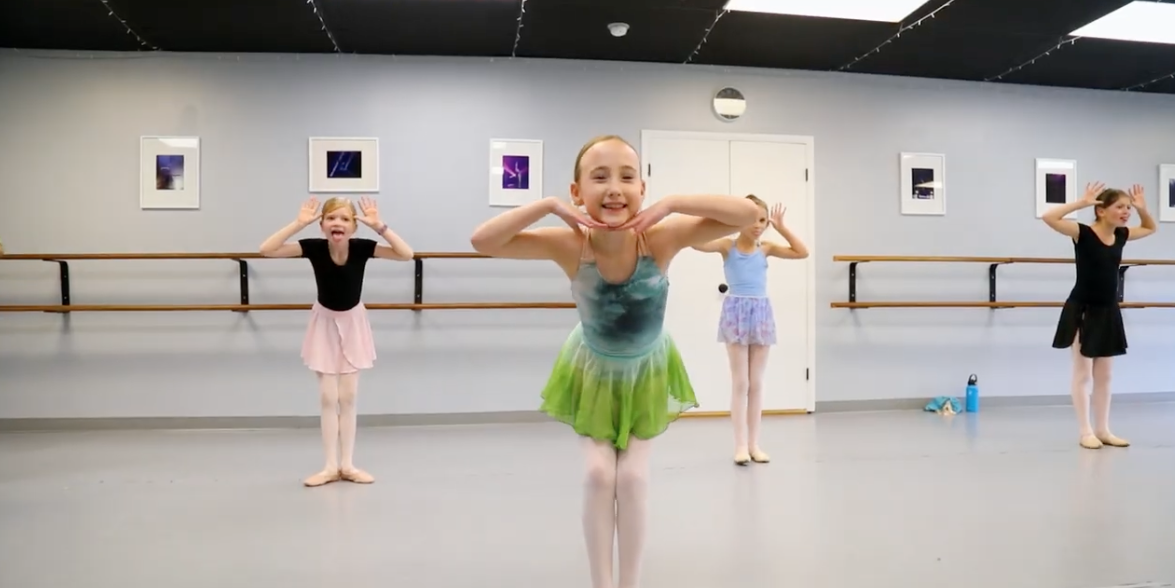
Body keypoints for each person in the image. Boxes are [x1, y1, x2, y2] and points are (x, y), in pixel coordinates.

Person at [470, 134, 760, 588]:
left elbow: (749, 214)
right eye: (599, 177)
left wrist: (671, 204)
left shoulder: (661, 238)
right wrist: (547, 205)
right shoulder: (570, 244)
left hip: (645, 368)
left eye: (627, 177)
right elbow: (482, 241)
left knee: (634, 481)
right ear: (577, 192)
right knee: (598, 473)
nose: (614, 188)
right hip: (593, 371)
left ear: (641, 190)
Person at [260, 196, 414, 486]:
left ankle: (348, 464)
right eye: (331, 218)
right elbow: (266, 249)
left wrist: (379, 226)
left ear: (354, 227)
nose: (337, 223)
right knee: (328, 398)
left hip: (353, 322)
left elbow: (406, 254)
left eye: (344, 219)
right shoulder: (314, 247)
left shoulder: (362, 248)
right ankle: (330, 465)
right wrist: (298, 223)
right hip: (324, 323)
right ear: (322, 225)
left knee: (349, 397)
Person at [691, 195, 808, 465]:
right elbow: (694, 243)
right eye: (753, 219)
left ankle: (755, 444)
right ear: (740, 221)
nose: (758, 225)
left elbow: (802, 252)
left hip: (761, 312)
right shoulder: (726, 246)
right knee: (740, 382)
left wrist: (782, 228)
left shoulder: (765, 248)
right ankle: (740, 445)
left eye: (763, 220)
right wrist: (719, 222)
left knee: (756, 383)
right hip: (735, 312)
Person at [1042, 182, 1155, 450]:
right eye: (1120, 207)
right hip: (1083, 309)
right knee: (1083, 374)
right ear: (1102, 211)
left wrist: (1142, 209)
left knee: (1105, 376)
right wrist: (1081, 203)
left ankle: (1103, 429)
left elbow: (1150, 228)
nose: (1126, 212)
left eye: (1128, 207)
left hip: (1108, 311)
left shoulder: (1122, 235)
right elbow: (1049, 218)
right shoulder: (1082, 233)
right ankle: (1085, 431)